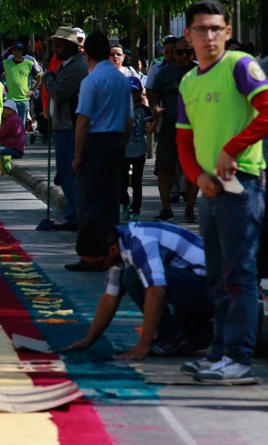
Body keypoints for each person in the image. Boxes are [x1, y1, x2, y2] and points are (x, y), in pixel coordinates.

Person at [175, 0, 268, 382]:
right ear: (189, 34)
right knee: (216, 274)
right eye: (201, 29)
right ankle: (218, 351)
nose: (209, 36)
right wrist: (197, 177)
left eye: (216, 29)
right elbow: (183, 139)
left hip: (242, 185)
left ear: (227, 32)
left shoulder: (241, 65)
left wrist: (232, 148)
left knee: (238, 273)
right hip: (211, 190)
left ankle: (238, 357)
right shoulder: (188, 81)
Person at [63, 221, 213, 360]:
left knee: (133, 278)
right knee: (194, 339)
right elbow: (110, 298)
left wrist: (143, 346)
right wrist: (88, 341)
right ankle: (194, 334)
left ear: (112, 250)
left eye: (97, 265)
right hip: (195, 284)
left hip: (211, 286)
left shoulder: (140, 242)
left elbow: (156, 292)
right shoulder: (119, 247)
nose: (98, 269)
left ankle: (172, 338)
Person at [72, 31, 133, 231]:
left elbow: (83, 120)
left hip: (96, 143)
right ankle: (111, 248)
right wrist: (121, 142)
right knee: (111, 198)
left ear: (86, 54)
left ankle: (92, 253)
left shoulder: (91, 80)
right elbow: (129, 119)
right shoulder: (122, 79)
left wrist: (78, 155)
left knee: (91, 199)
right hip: (116, 142)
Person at [41, 27, 89, 232]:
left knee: (68, 173)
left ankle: (76, 215)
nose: (55, 48)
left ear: (71, 46)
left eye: (58, 44)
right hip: (62, 124)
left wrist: (48, 78)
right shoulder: (68, 64)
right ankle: (74, 212)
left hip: (69, 126)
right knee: (65, 173)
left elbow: (59, 93)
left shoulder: (77, 67)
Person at [151, 38, 199, 223]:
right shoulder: (164, 73)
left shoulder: (201, 72)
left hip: (195, 131)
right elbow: (154, 97)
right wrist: (155, 109)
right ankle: (165, 208)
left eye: (188, 52)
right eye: (179, 52)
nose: (183, 56)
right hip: (169, 130)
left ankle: (189, 208)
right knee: (164, 170)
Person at [120, 77, 152, 223]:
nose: (131, 95)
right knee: (122, 181)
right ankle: (124, 203)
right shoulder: (120, 108)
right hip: (123, 151)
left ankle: (136, 210)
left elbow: (150, 129)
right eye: (128, 92)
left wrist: (156, 117)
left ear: (139, 93)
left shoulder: (144, 110)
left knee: (137, 182)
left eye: (134, 92)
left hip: (139, 150)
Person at [0, 42, 42, 123]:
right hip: (9, 99)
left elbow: (39, 77)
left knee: (21, 125)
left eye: (19, 50)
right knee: (9, 123)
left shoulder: (29, 63)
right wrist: (2, 85)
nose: (16, 52)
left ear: (22, 52)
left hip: (23, 99)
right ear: (12, 51)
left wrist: (33, 90)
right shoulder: (5, 63)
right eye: (14, 50)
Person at [0, 100, 26, 174]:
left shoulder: (12, 120)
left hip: (15, 150)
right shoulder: (11, 119)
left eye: (5, 109)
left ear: (11, 110)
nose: (3, 111)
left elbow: (0, 134)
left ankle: (3, 168)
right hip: (13, 148)